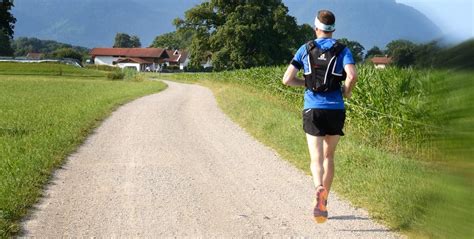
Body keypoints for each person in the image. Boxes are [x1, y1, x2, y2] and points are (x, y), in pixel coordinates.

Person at [282, 10, 357, 223]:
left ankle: (319, 188)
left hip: (312, 108)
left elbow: (287, 79)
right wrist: (346, 92)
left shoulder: (305, 49)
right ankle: (325, 203)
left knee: (315, 158)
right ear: (333, 29)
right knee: (328, 157)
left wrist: (305, 84)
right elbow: (351, 76)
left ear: (316, 28)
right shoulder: (343, 50)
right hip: (336, 109)